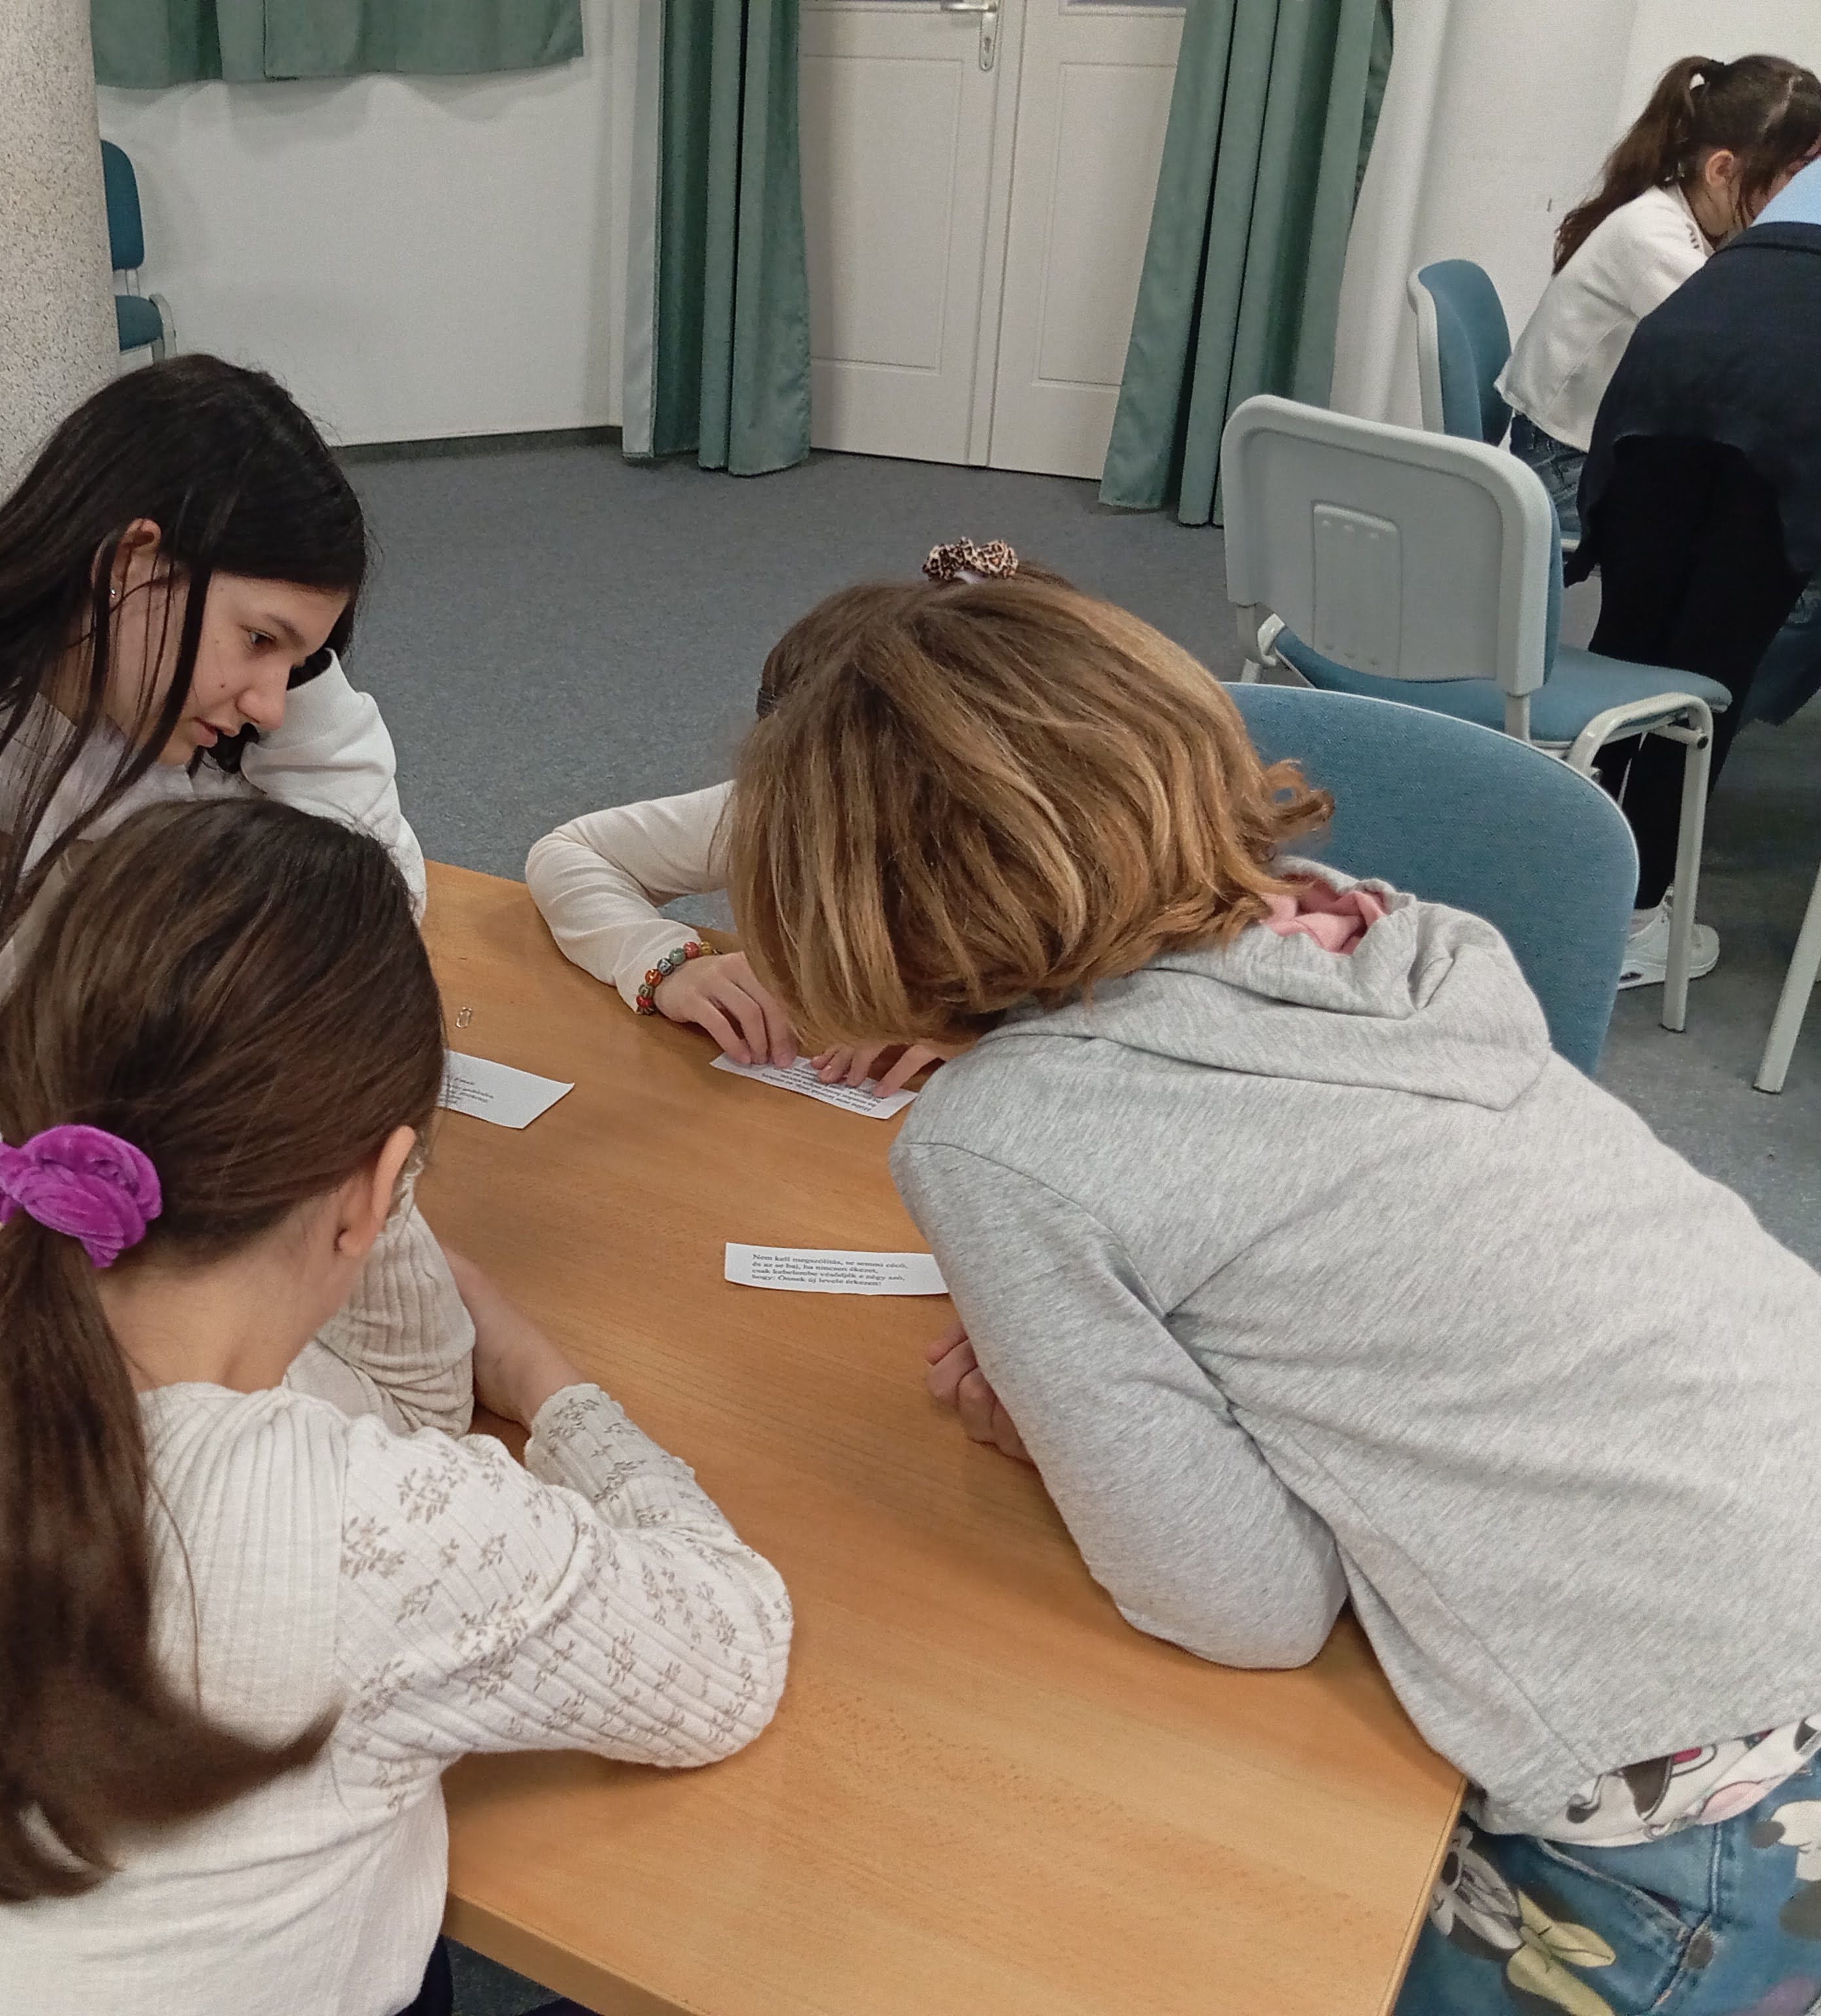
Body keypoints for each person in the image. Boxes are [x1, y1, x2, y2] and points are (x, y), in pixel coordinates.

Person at [724, 558, 1821, 2015]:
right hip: (1784, 1527)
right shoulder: (1394, 931)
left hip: (1683, 1782)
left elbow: (1249, 1608)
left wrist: (1063, 1418)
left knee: (1149, 1911)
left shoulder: (1005, 1139)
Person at [0, 799, 791, 2016]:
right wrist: (552, 1383)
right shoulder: (373, 1522)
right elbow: (731, 1648)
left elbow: (384, 1407)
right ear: (379, 1187)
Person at [0, 355, 424, 1194]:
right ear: (130, 561)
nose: (272, 706)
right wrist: (202, 1142)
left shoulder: (163, 733)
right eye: (259, 639)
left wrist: (310, 673)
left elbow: (367, 926)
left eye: (298, 666)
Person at [521, 541, 1030, 1099]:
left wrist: (985, 1030)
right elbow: (572, 853)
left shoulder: (1048, 859)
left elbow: (1096, 998)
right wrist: (667, 964)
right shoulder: (781, 806)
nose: (816, 823)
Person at [1578, 149, 1821, 990]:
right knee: (1707, 672)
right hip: (1799, 382)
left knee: (1632, 643)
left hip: (1680, 347)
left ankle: (1573, 877)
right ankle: (1634, 923)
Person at [1499, 54, 1820, 546]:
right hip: (1561, 467)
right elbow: (1752, 358)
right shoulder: (1652, 240)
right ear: (1722, 170)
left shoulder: (1708, 223)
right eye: (1799, 174)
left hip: (1597, 449)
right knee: (1770, 545)